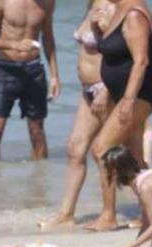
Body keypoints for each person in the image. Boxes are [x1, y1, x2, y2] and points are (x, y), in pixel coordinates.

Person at [84, 0, 152, 231]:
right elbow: (115, 54)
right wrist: (99, 31)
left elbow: (141, 61)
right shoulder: (118, 10)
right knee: (136, 156)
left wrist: (128, 100)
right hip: (125, 93)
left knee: (101, 149)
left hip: (138, 94)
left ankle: (108, 216)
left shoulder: (134, 14)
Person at [42, 0, 113, 229]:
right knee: (75, 149)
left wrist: (109, 89)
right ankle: (67, 213)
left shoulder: (111, 7)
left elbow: (123, 52)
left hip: (107, 90)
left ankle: (110, 214)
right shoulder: (90, 6)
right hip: (87, 92)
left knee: (106, 152)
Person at [0, 0, 61, 160]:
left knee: (37, 132)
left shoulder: (47, 3)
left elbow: (48, 38)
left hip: (34, 70)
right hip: (6, 69)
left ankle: (39, 181)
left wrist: (54, 75)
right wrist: (14, 45)